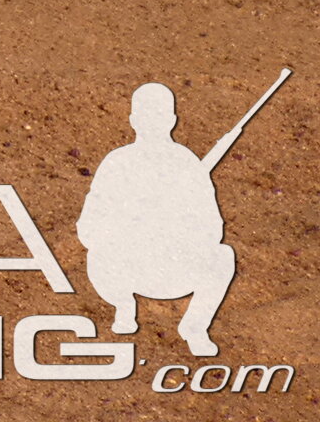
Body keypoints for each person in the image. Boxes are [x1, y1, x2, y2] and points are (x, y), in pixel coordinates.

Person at [81, 83, 241, 357]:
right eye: (147, 115)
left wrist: (173, 230)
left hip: (175, 268)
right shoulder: (117, 162)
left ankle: (194, 326)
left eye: (157, 115)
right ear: (133, 121)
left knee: (223, 255)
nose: (152, 122)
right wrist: (132, 226)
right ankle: (123, 305)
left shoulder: (187, 164)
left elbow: (212, 229)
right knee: (97, 253)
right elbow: (88, 227)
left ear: (171, 121)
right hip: (126, 268)